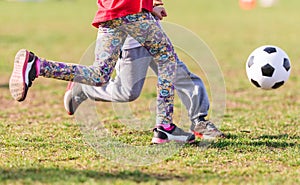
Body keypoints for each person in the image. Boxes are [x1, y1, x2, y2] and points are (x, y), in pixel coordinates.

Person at [9, 0, 196, 144]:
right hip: (133, 13)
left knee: (99, 74)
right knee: (166, 58)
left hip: (110, 13)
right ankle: (164, 127)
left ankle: (37, 66)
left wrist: (148, 4)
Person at [64, 4, 225, 142]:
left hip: (151, 31)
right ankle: (84, 88)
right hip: (129, 36)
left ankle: (199, 121)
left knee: (181, 76)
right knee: (127, 92)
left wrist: (153, 4)